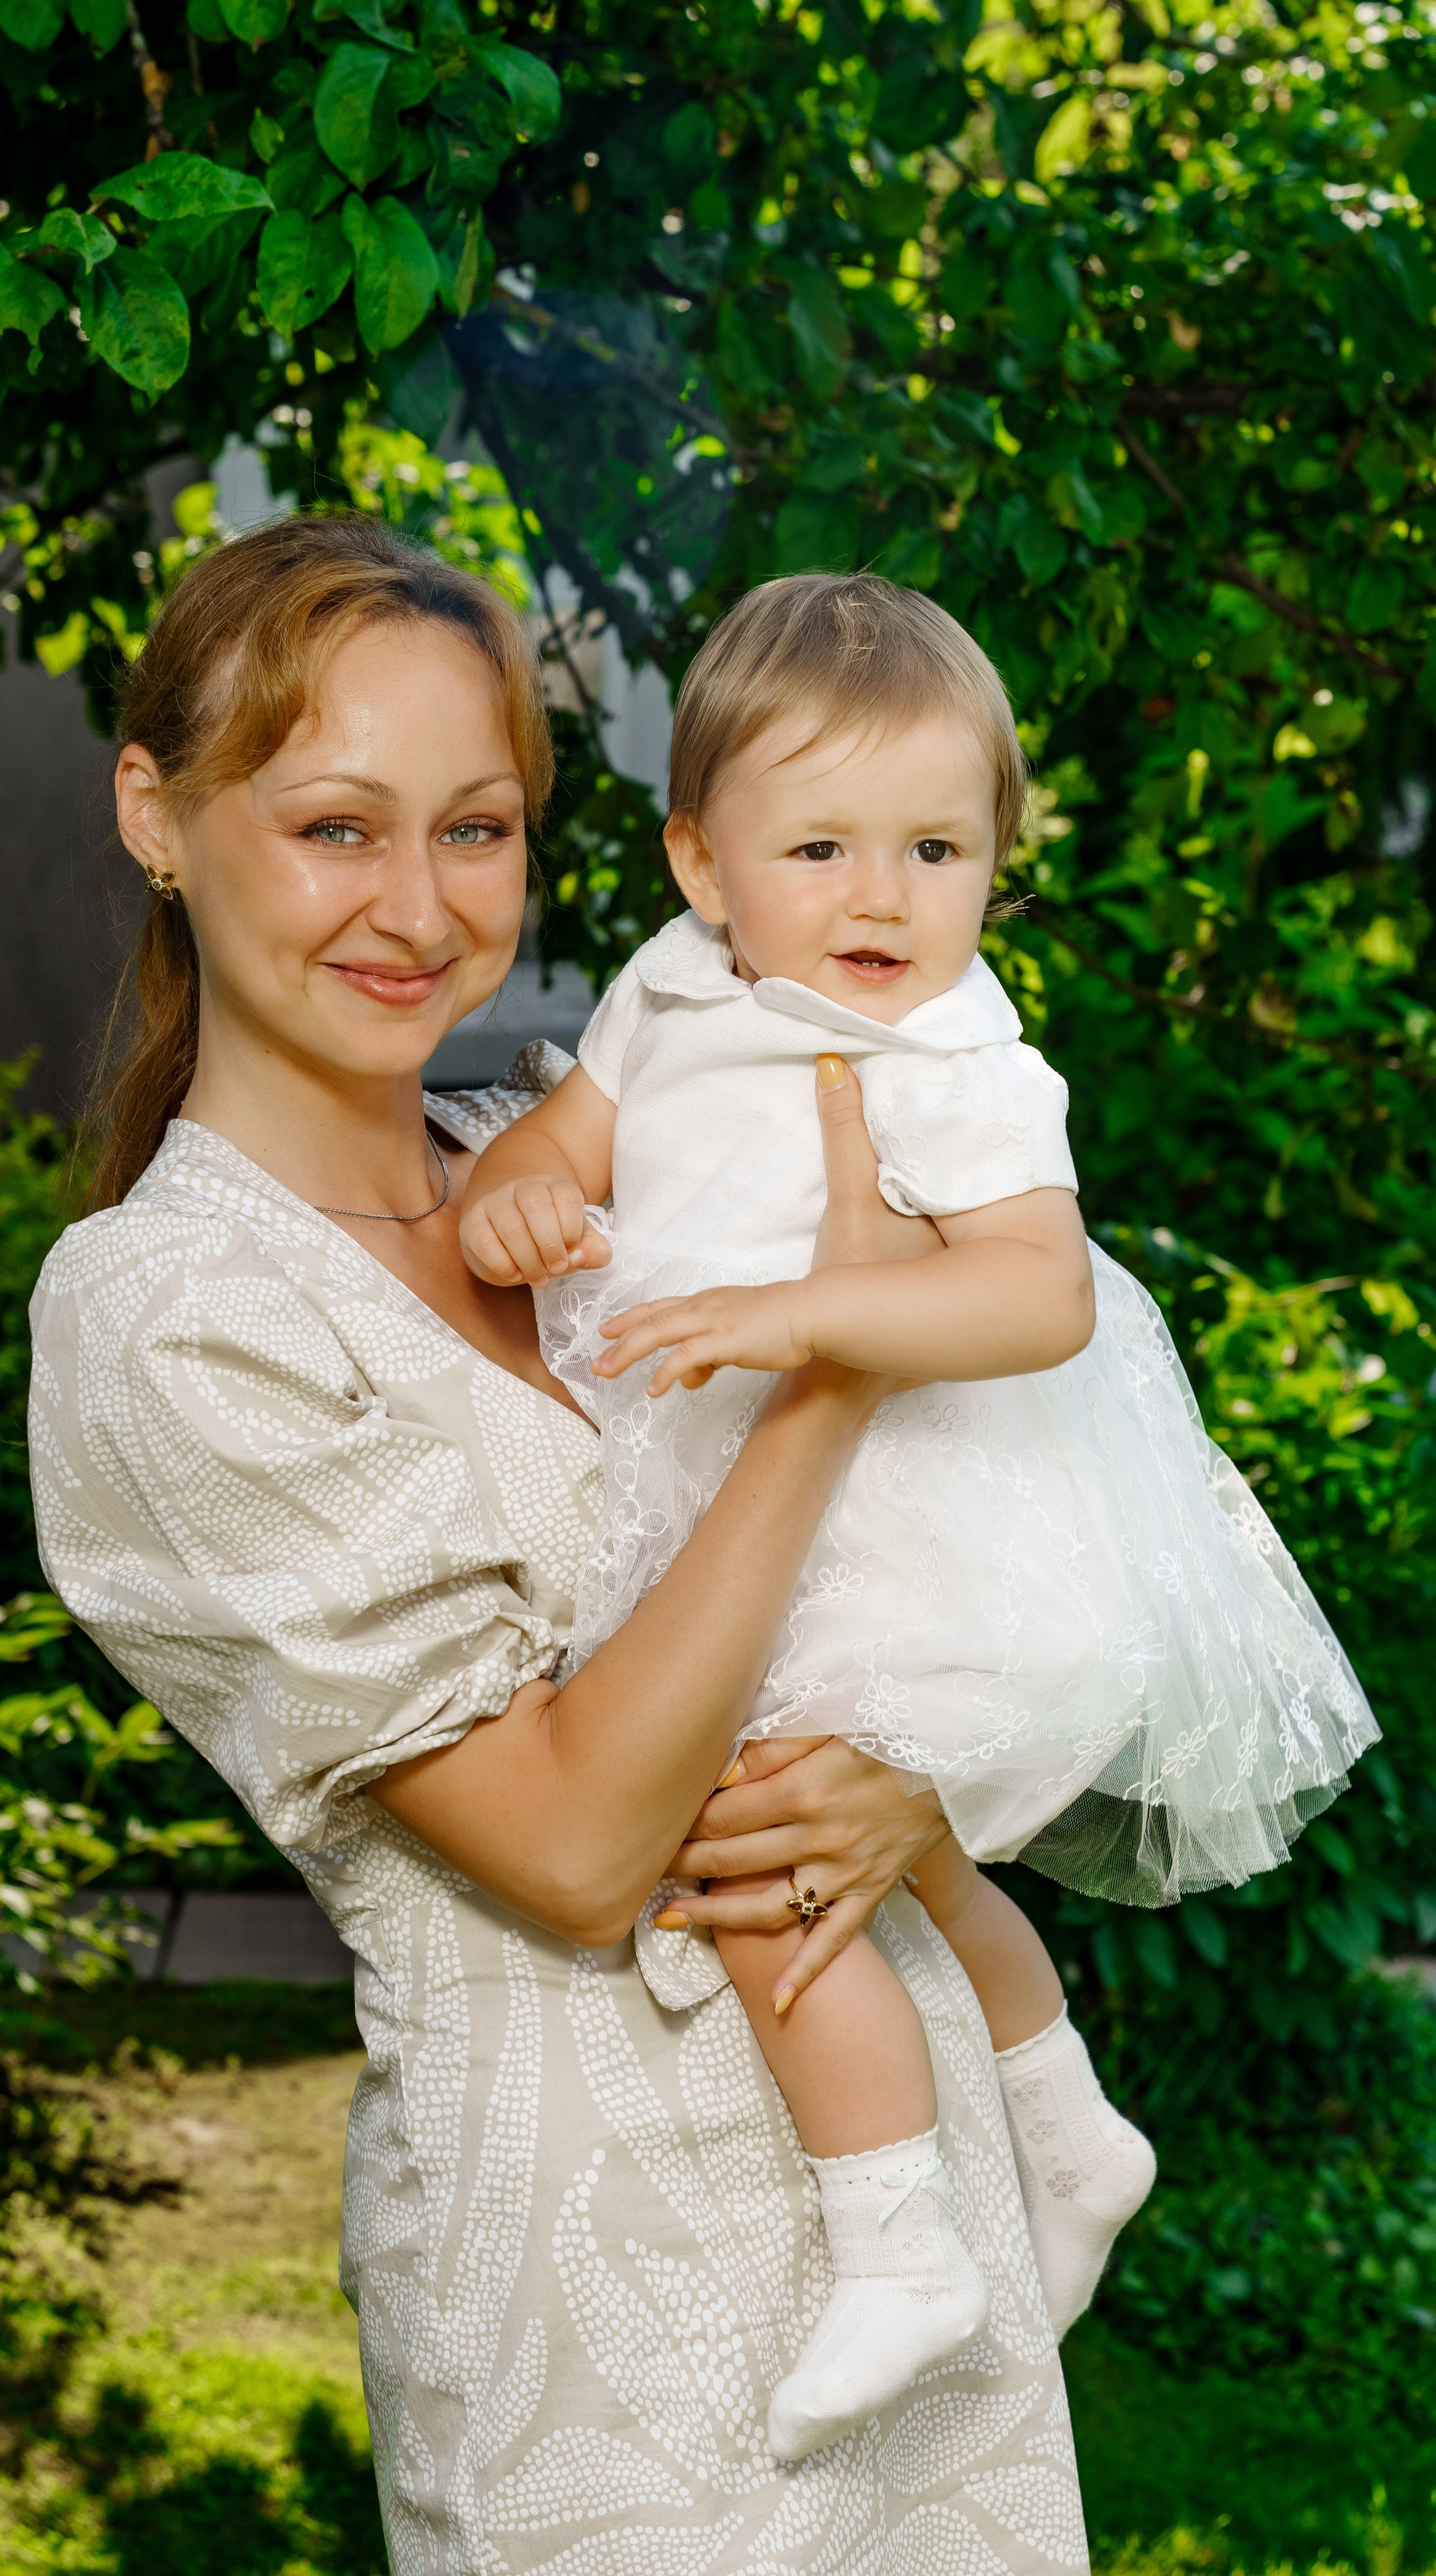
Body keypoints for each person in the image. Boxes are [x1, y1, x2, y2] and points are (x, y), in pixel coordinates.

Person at [29, 514, 1110, 2576]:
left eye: (480, 831)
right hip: (612, 2307)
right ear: (158, 813)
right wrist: (837, 1365)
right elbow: (570, 1838)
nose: (416, 909)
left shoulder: (571, 1161)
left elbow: (993, 1510)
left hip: (908, 2218)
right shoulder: (171, 1315)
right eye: (333, 828)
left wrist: (909, 1781)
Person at [459, 571, 1376, 2466]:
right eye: (824, 846)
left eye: (937, 848)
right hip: (728, 1487)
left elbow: (1036, 1294)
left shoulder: (955, 1053)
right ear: (702, 861)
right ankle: (1064, 2123)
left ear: (995, 865)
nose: (883, 899)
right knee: (916, 1871)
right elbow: (572, 1133)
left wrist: (814, 1310)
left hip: (911, 1500)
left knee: (767, 1839)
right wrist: (524, 1198)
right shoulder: (666, 988)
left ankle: (895, 2249)